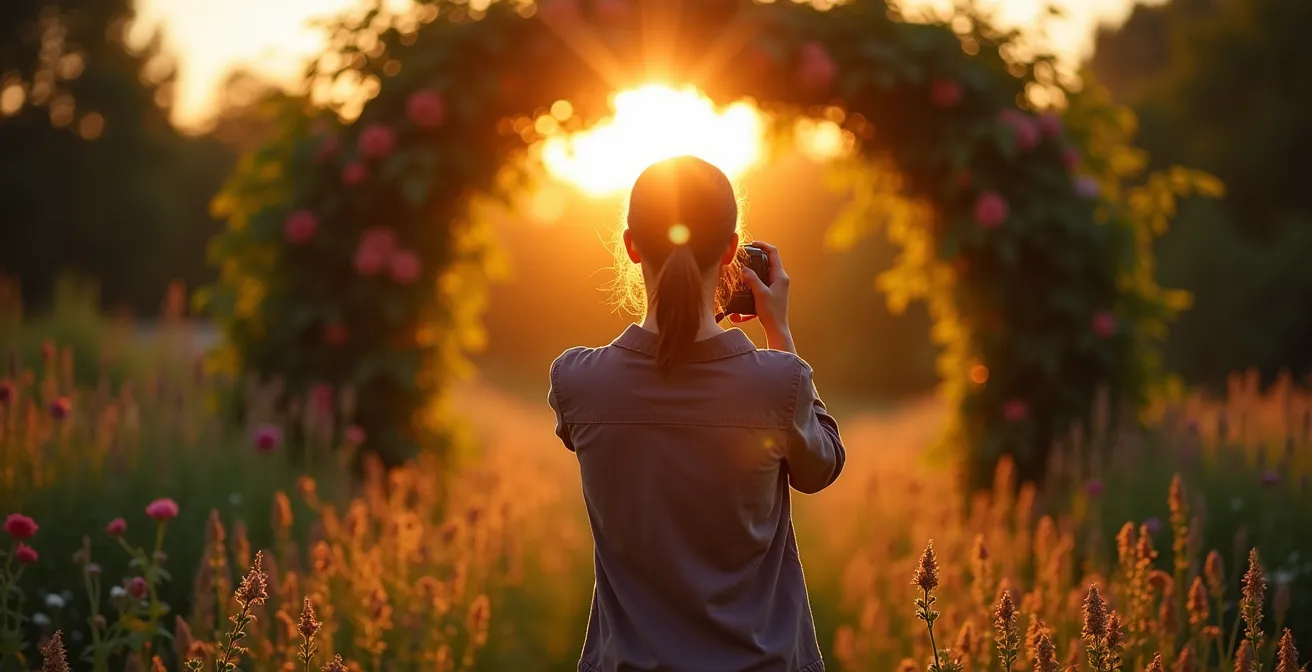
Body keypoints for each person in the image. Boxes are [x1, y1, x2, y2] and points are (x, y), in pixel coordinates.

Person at [548, 155, 846, 672]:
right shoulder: (779, 383)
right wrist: (780, 336)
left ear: (631, 245)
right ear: (732, 251)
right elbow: (821, 467)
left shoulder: (577, 380)